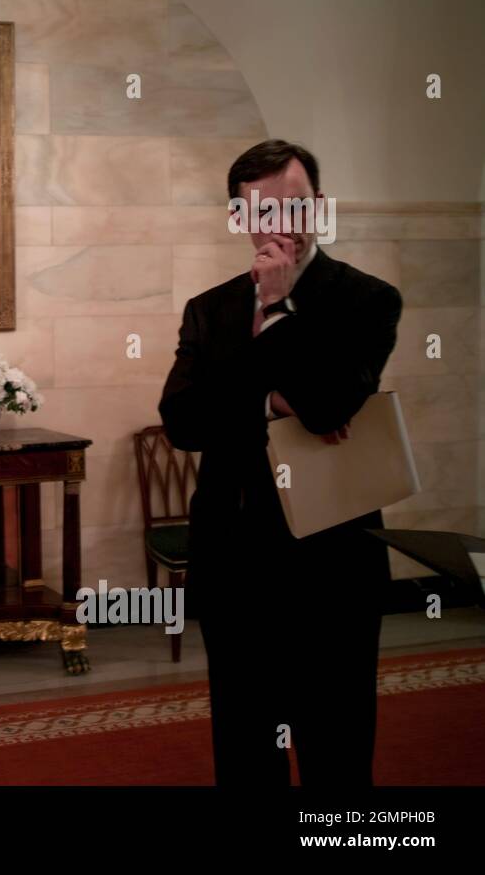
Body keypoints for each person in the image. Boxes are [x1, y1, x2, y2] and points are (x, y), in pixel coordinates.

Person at [159, 139, 401, 785]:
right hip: (234, 553)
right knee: (244, 738)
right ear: (239, 220)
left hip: (334, 557)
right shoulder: (209, 310)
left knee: (336, 740)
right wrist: (268, 398)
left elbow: (325, 406)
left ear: (319, 208)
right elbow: (183, 421)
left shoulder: (368, 300)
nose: (277, 227)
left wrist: (282, 310)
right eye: (259, 213)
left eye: (291, 208)